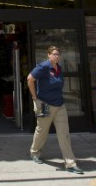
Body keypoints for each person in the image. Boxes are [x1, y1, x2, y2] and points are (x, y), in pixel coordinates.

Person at [27, 45, 83, 174]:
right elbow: (30, 79)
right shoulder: (43, 67)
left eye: (58, 54)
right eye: (54, 54)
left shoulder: (59, 68)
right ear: (48, 55)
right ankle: (34, 152)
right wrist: (35, 98)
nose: (56, 56)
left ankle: (70, 163)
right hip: (45, 104)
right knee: (42, 131)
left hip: (60, 105)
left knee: (64, 134)